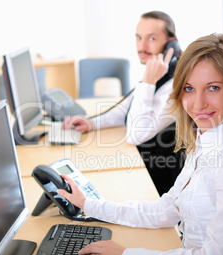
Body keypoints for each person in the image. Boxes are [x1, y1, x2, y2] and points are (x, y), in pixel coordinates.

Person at [58, 33, 223, 255]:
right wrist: (89, 204)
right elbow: (165, 210)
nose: (198, 104)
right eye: (189, 88)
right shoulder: (206, 137)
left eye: (213, 88)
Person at [63, 11, 185, 196]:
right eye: (138, 37)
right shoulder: (160, 74)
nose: (142, 46)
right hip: (140, 165)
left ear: (171, 43)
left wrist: (148, 81)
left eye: (151, 38)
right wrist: (92, 123)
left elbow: (135, 136)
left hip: (155, 181)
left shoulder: (176, 85)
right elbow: (125, 109)